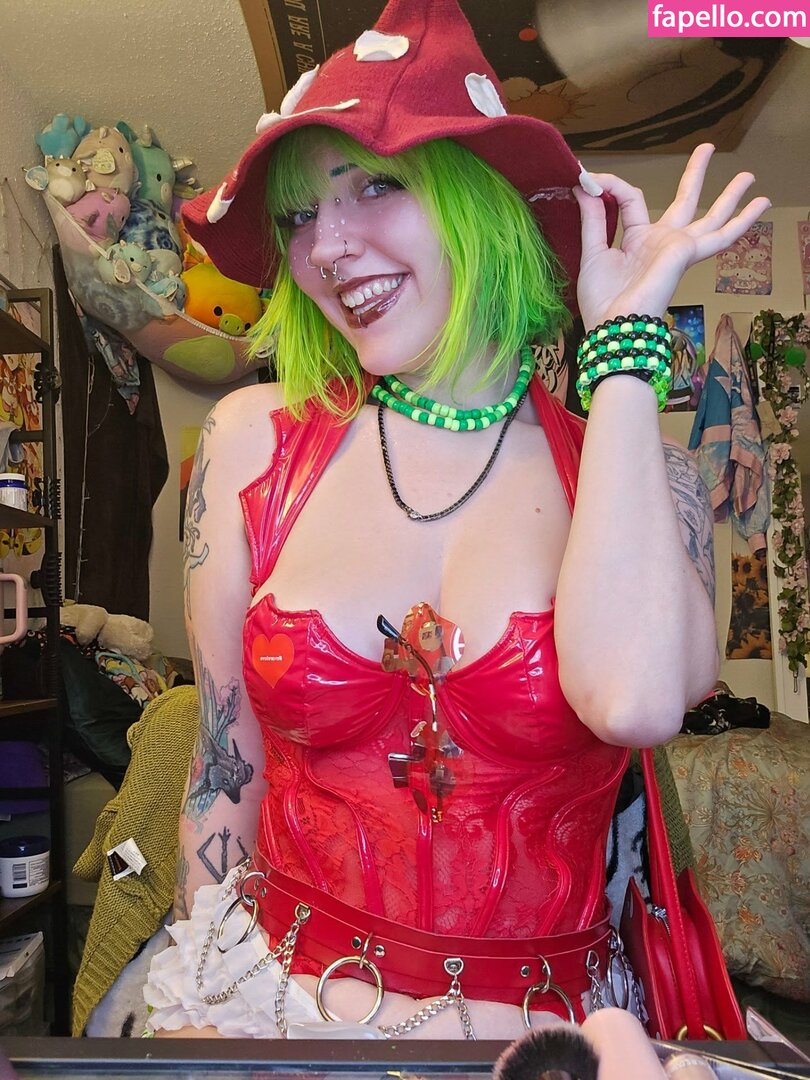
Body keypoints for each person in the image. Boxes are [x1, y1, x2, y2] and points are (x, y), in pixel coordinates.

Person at [144, 0, 769, 1043]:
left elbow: (633, 702)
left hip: (545, 1048)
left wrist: (623, 350)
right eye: (298, 216)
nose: (326, 248)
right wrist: (197, 1006)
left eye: (375, 186)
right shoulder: (253, 444)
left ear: (481, 204)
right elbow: (223, 764)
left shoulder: (644, 479)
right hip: (274, 1014)